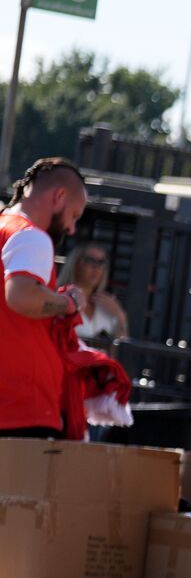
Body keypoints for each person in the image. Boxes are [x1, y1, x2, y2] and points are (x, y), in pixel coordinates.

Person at [1, 158, 89, 439]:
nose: (72, 228)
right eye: (74, 215)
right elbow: (21, 296)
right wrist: (69, 303)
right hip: (20, 409)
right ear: (59, 196)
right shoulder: (32, 236)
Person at [58, 242, 127, 346]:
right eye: (90, 260)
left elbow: (121, 348)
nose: (96, 267)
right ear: (75, 264)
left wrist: (120, 315)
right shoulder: (60, 297)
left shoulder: (108, 305)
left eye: (101, 262)